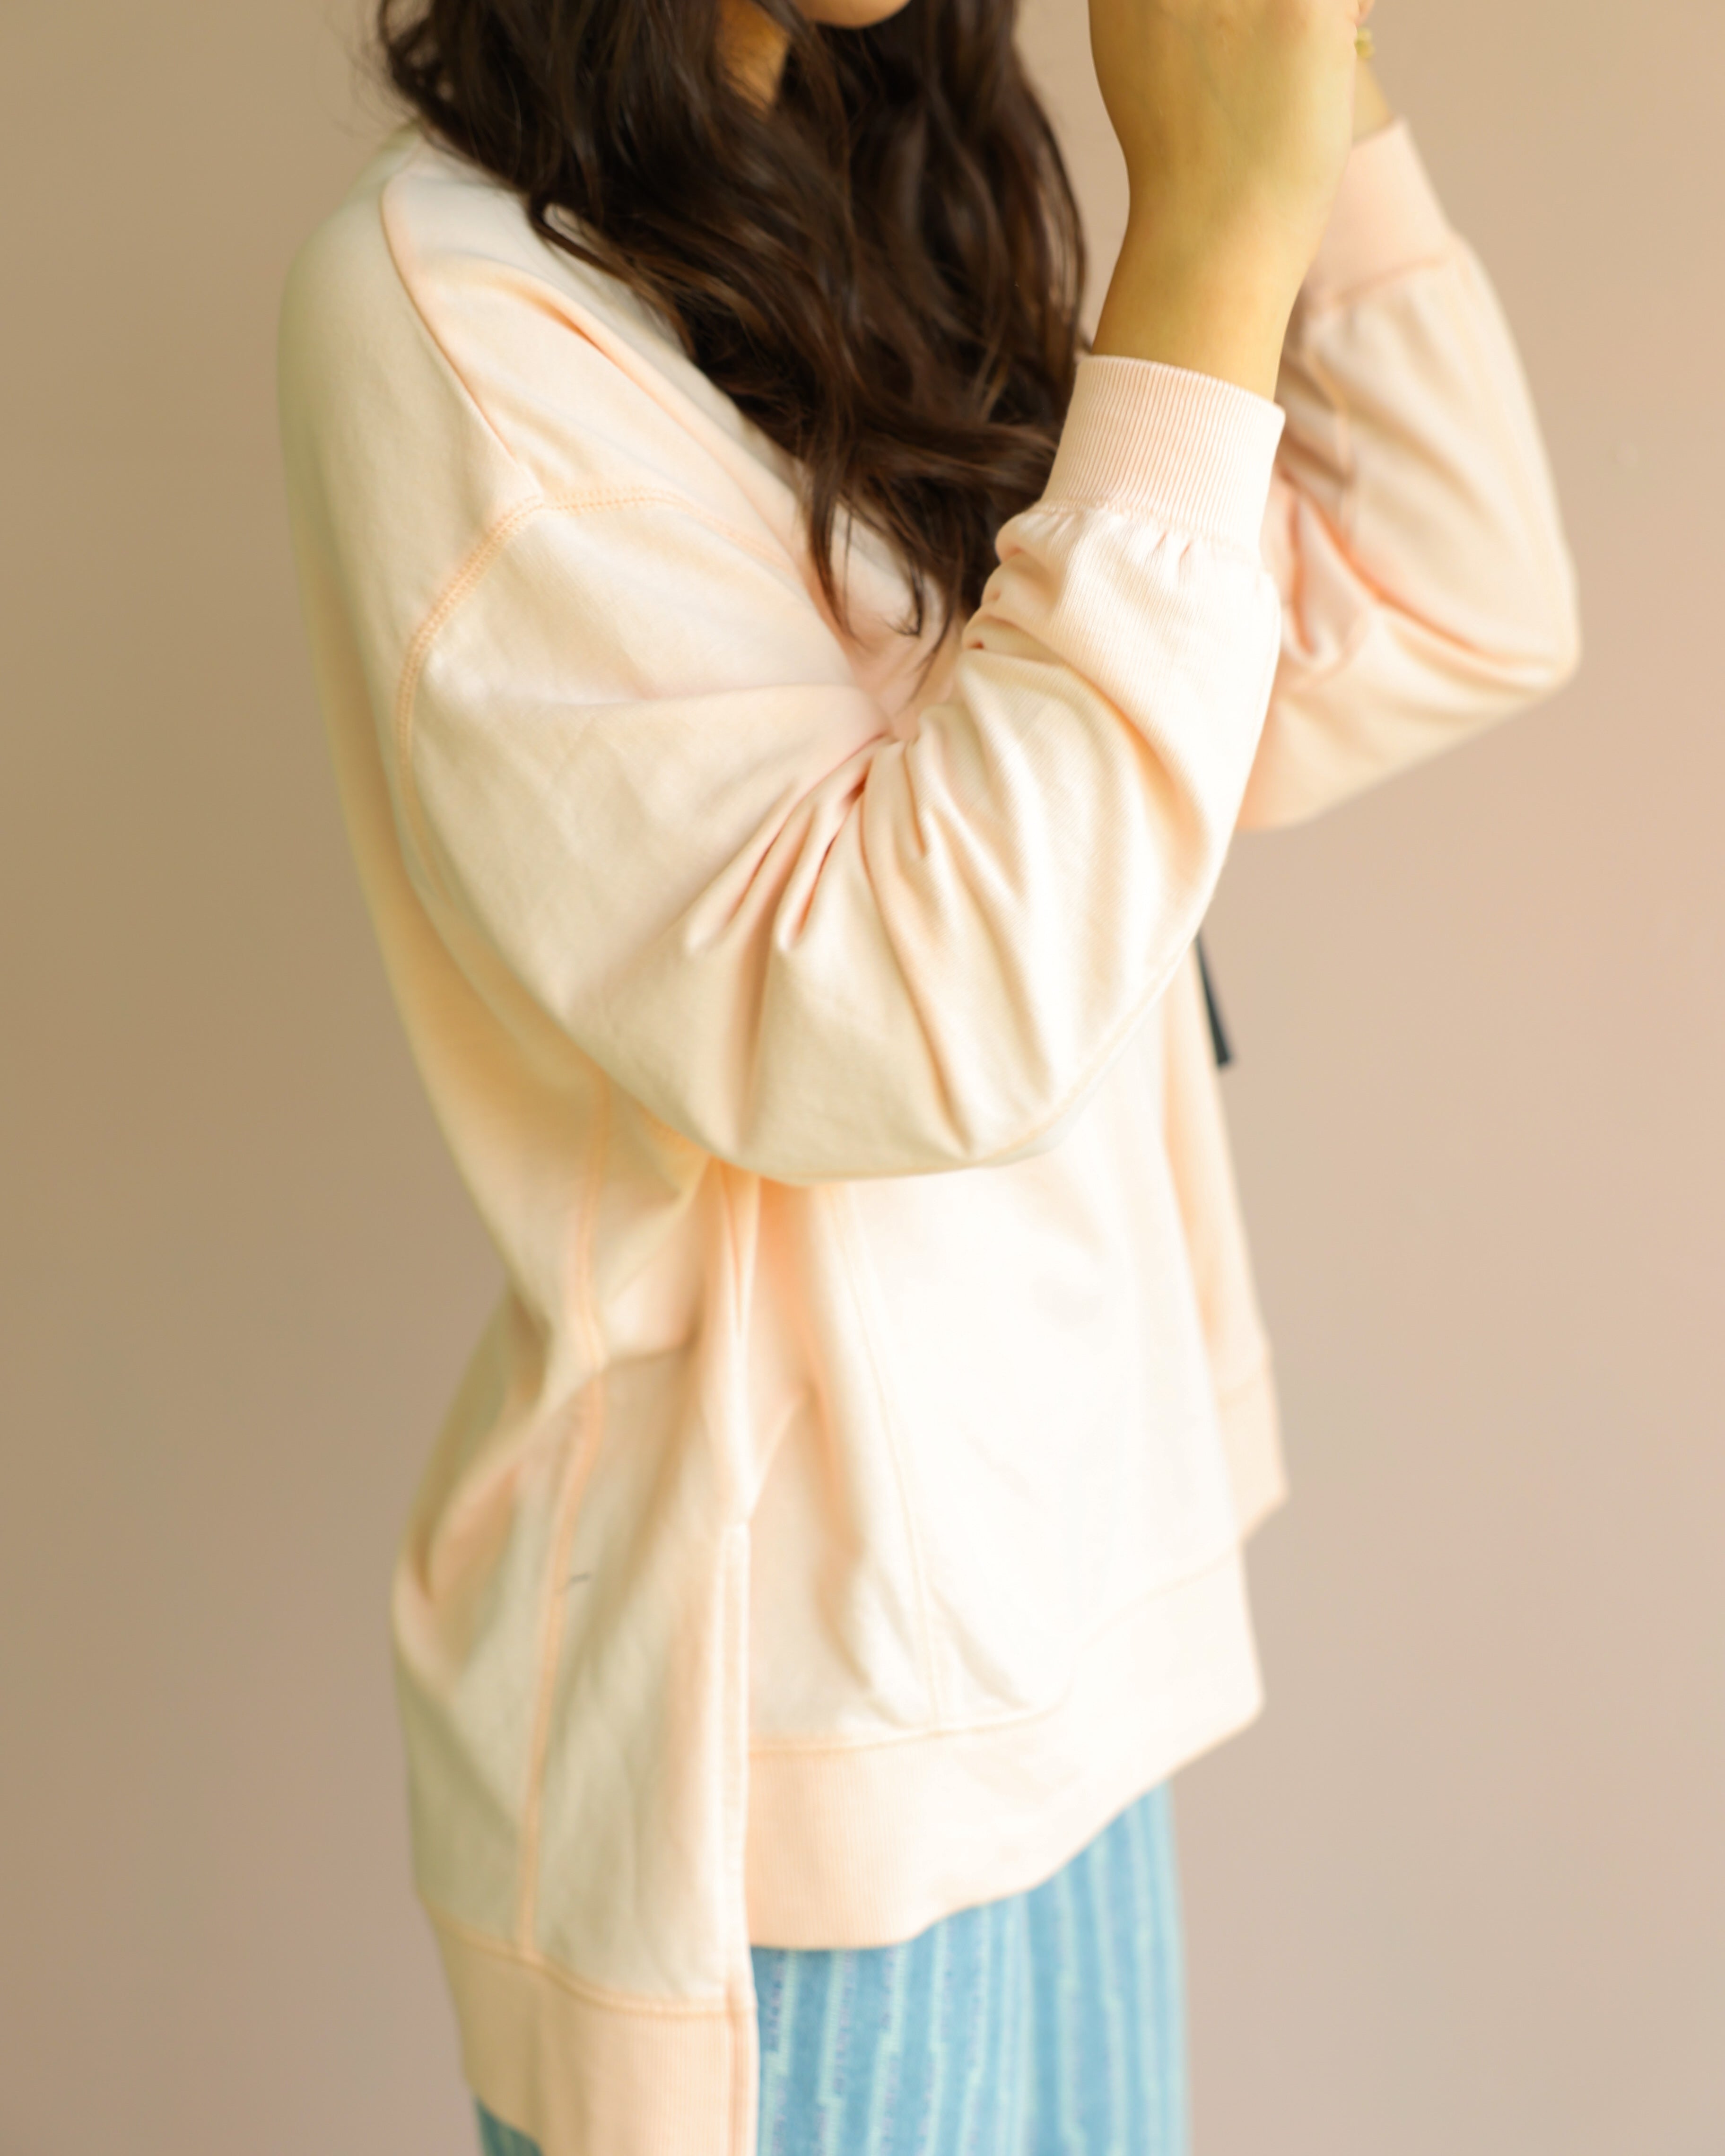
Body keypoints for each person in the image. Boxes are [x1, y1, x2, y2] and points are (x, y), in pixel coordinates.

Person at [276, 0, 1580, 2147]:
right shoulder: (452, 304)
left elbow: (1449, 592)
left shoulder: (869, 196)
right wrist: (1209, 238)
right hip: (789, 1777)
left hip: (1062, 1657)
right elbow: (910, 1016)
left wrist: (1295, 92)